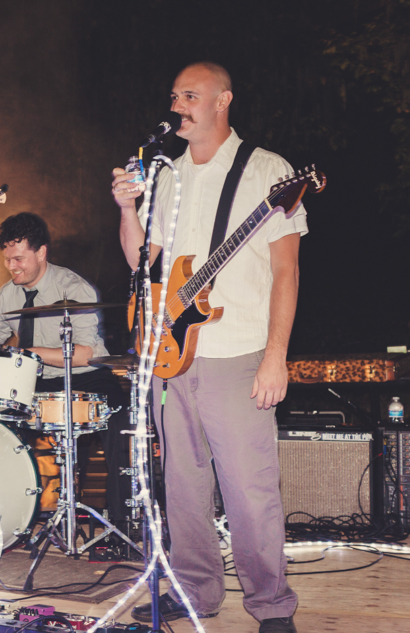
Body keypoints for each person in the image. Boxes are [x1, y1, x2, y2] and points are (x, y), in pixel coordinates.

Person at [112, 62, 306, 633]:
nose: (178, 106)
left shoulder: (267, 170)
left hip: (237, 351)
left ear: (223, 100)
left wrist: (275, 356)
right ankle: (196, 591)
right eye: (175, 96)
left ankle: (271, 605)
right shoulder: (168, 176)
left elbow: (287, 270)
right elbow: (140, 263)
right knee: (183, 488)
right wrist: (126, 208)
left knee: (249, 490)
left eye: (190, 96)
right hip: (171, 355)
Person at [0, 212, 130, 529]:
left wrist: (31, 354)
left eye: (19, 259)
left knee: (122, 424)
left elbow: (84, 354)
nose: (12, 267)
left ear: (41, 253)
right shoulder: (5, 295)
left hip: (86, 378)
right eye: (7, 259)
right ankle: (4, 519)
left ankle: (122, 522)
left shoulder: (74, 288)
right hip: (34, 382)